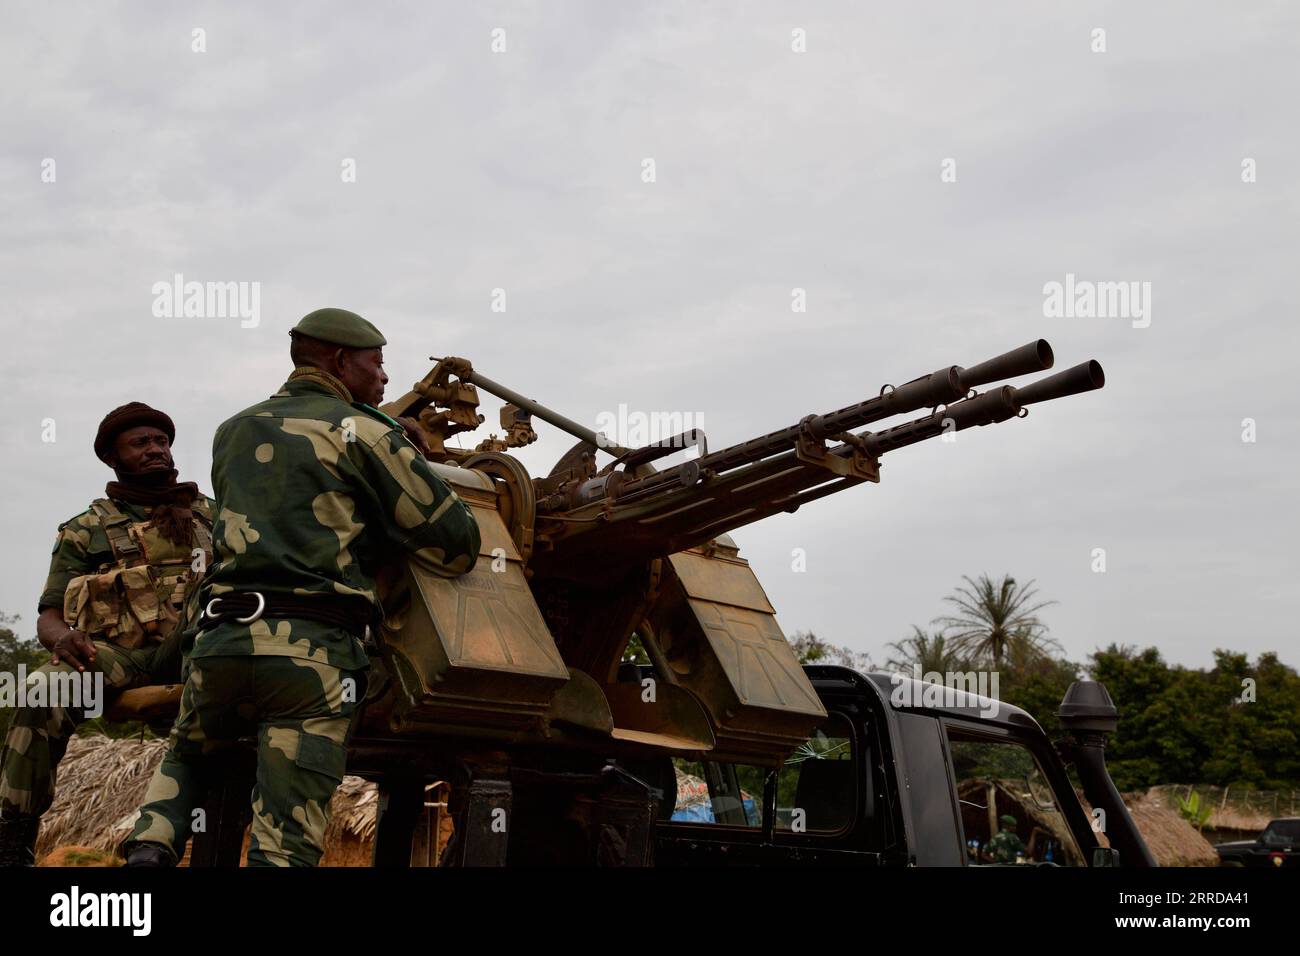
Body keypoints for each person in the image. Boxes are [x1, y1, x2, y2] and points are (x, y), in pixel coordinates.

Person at [122, 307, 480, 867]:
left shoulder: (232, 429)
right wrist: (419, 460)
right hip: (310, 656)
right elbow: (455, 543)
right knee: (285, 843)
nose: (385, 379)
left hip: (219, 643)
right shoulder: (368, 432)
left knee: (191, 753)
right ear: (340, 361)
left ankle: (150, 848)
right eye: (377, 364)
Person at [0, 404, 213, 866]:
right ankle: (13, 836)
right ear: (113, 458)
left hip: (199, 648)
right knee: (42, 690)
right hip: (119, 656)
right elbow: (49, 616)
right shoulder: (85, 529)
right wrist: (62, 640)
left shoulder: (212, 516)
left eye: (161, 440)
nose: (156, 449)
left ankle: (161, 841)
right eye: (141, 443)